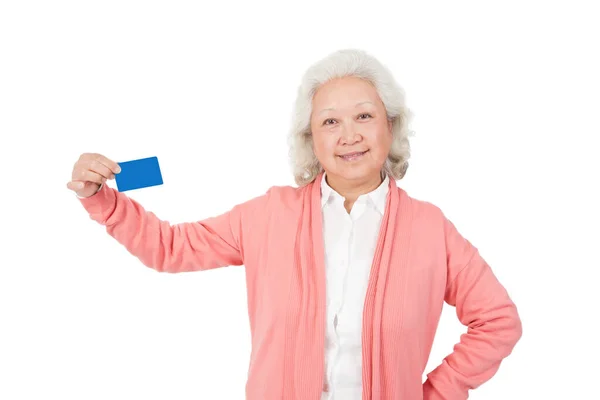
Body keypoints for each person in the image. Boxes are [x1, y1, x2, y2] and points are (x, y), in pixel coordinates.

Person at [67, 48, 522, 400]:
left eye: (364, 116)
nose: (349, 135)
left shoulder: (430, 228)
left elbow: (498, 320)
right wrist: (101, 198)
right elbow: (169, 247)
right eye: (330, 121)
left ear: (390, 126)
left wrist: (436, 392)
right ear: (311, 138)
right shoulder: (269, 214)